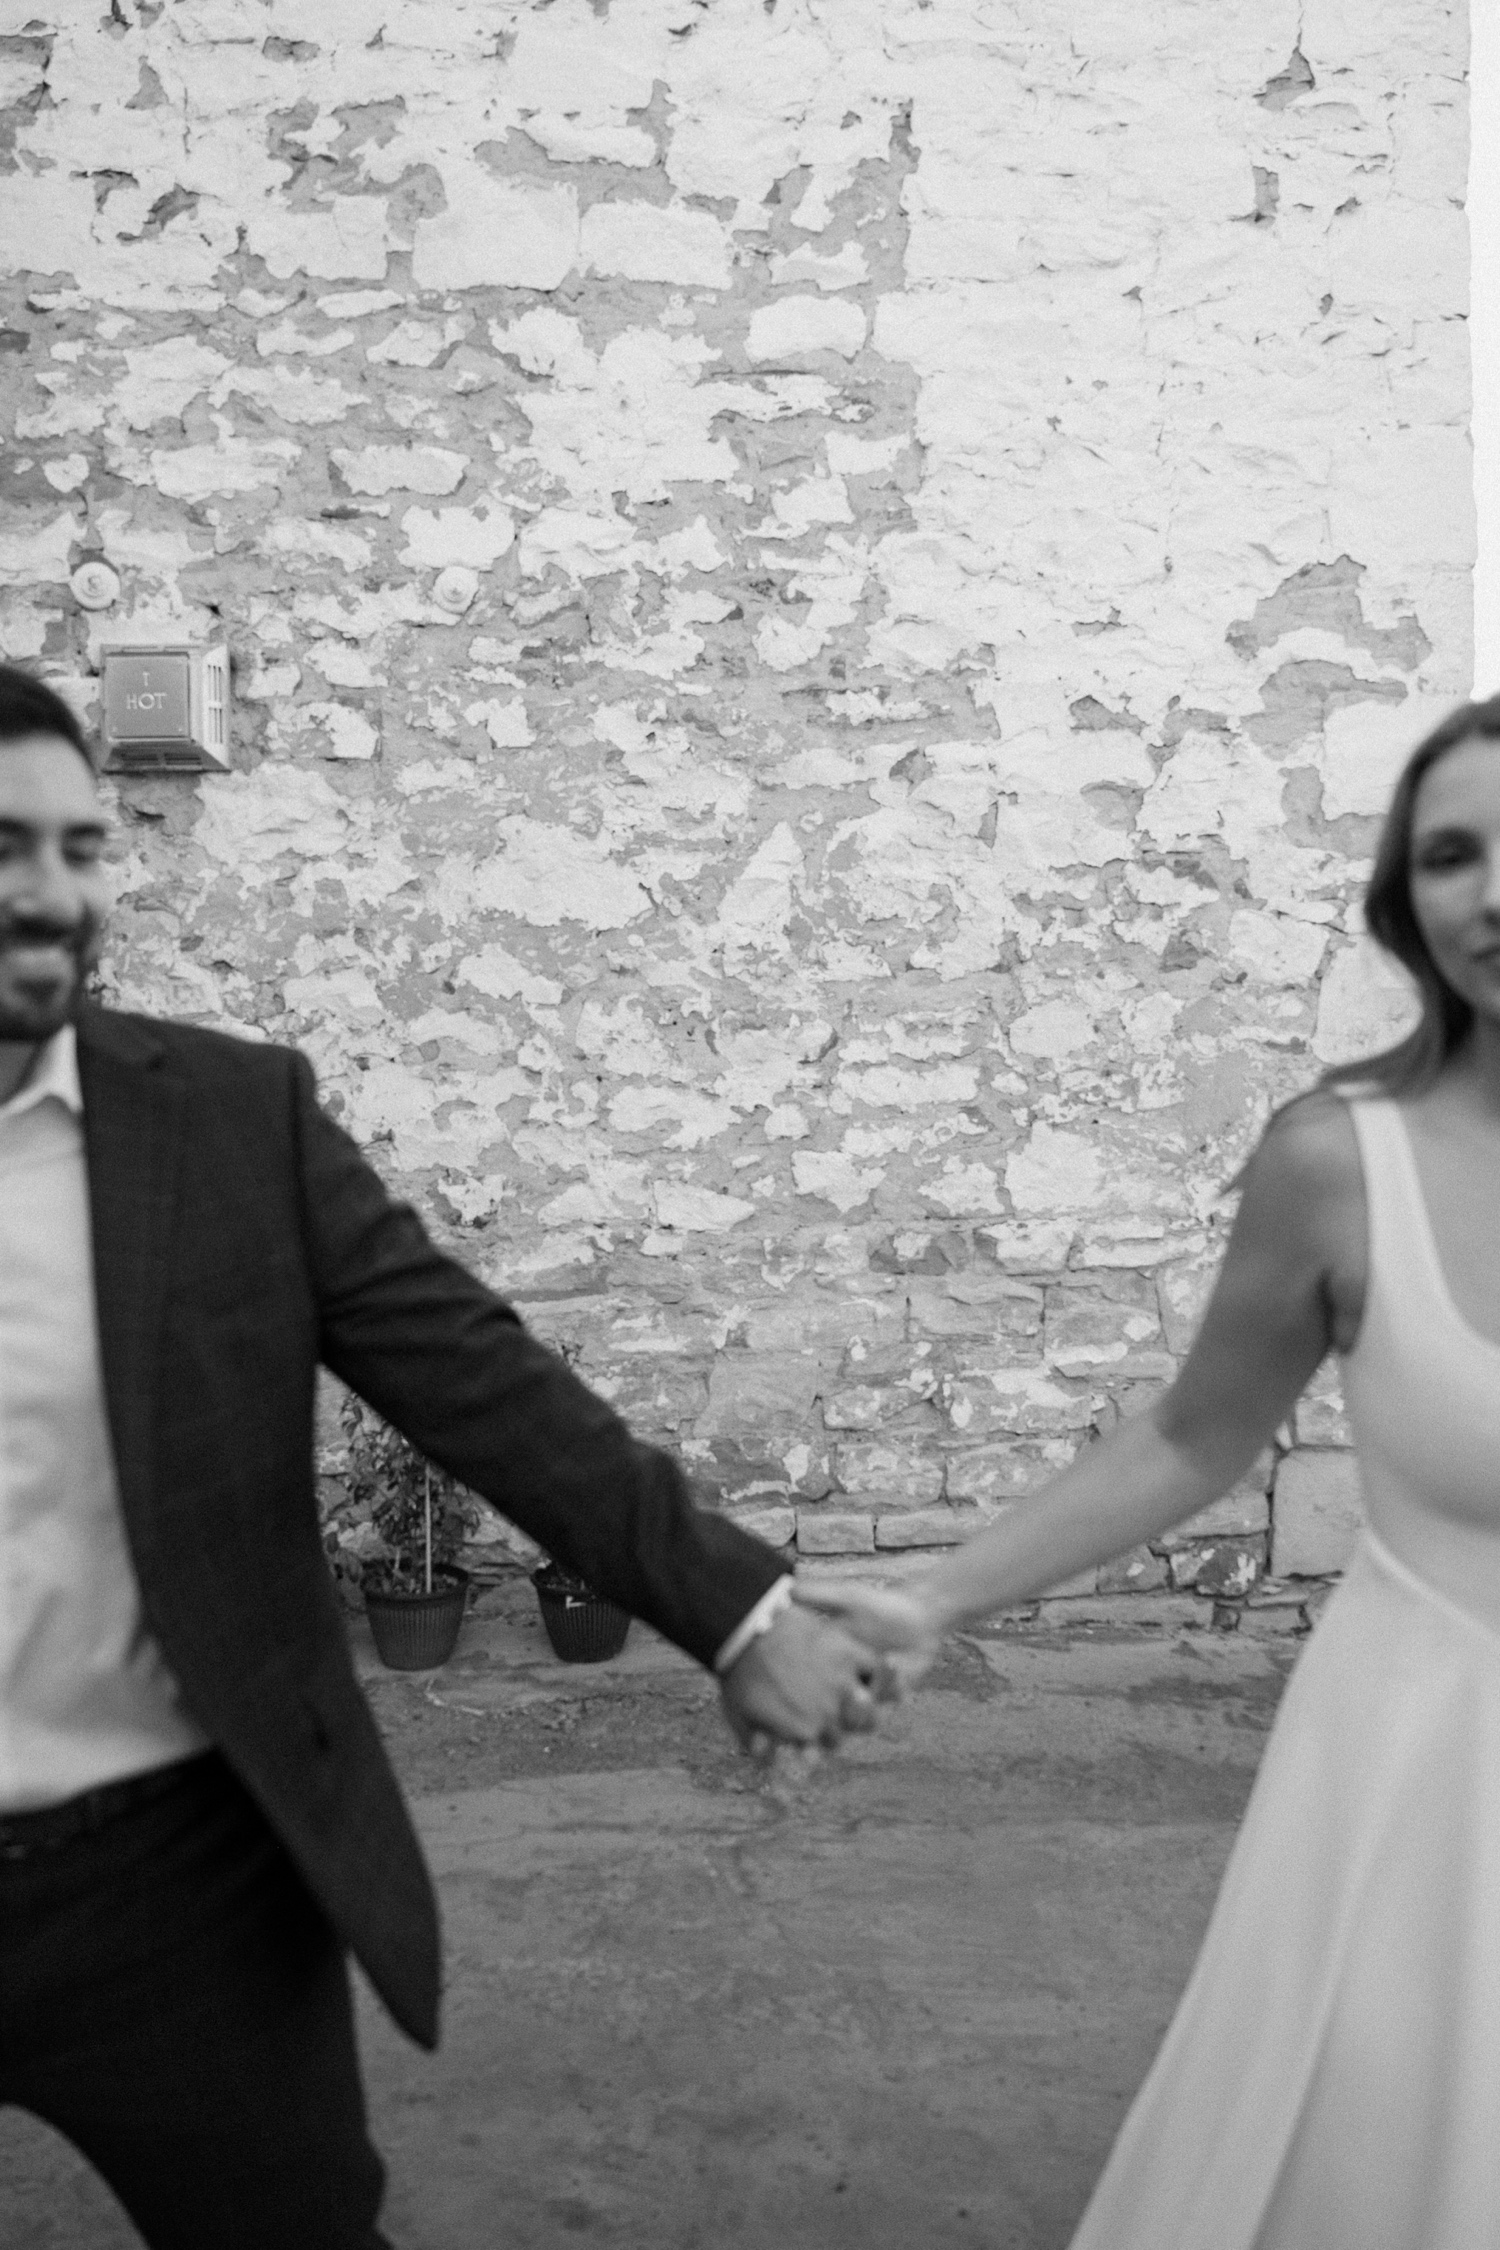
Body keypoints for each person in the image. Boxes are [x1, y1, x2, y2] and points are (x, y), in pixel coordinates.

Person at [0, 661, 890, 2250]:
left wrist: (745, 1617)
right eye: (5, 844)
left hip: (172, 1876)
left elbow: (476, 1378)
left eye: (82, 846)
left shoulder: (223, 1119)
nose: (54, 892)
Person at [810, 697, 1500, 2249]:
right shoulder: (1339, 1159)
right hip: (1429, 1788)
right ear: (1409, 896)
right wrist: (931, 1596)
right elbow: (1192, 1437)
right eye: (1456, 853)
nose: (1496, 891)